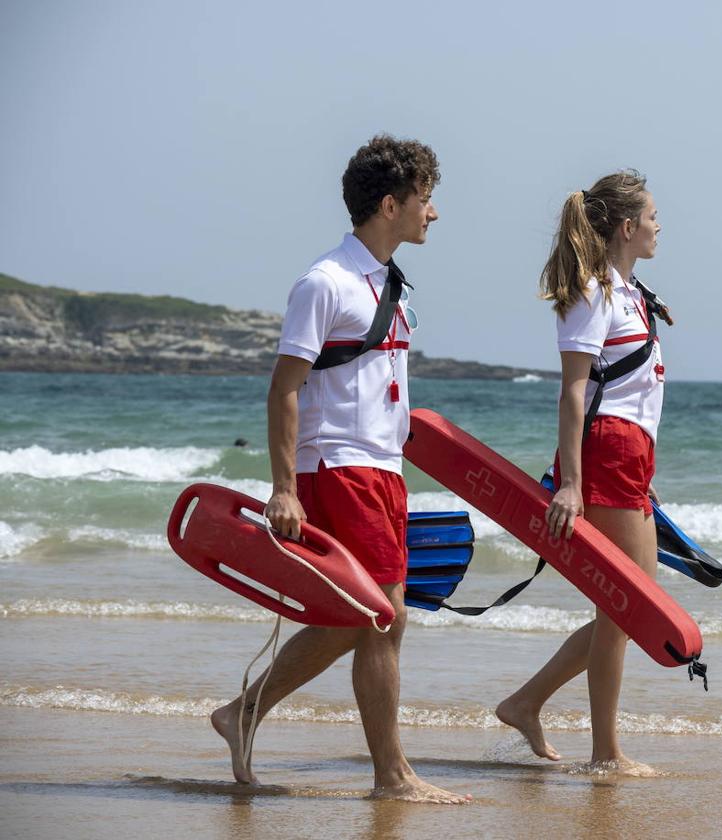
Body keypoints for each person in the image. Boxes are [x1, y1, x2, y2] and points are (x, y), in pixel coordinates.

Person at [209, 134, 469, 804]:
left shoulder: (391, 284)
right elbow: (284, 387)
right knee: (380, 618)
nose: (433, 213)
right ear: (390, 204)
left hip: (382, 469)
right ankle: (392, 776)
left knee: (370, 617)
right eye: (425, 199)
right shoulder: (324, 283)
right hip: (338, 468)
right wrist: (284, 488)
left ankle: (242, 713)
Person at [496, 170, 665, 774]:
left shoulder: (629, 291)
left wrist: (643, 473)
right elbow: (572, 392)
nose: (658, 226)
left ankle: (526, 702)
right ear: (626, 227)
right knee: (627, 608)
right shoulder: (593, 293)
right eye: (651, 216)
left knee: (622, 609)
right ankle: (605, 753)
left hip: (628, 457)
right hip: (605, 454)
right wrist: (571, 481)